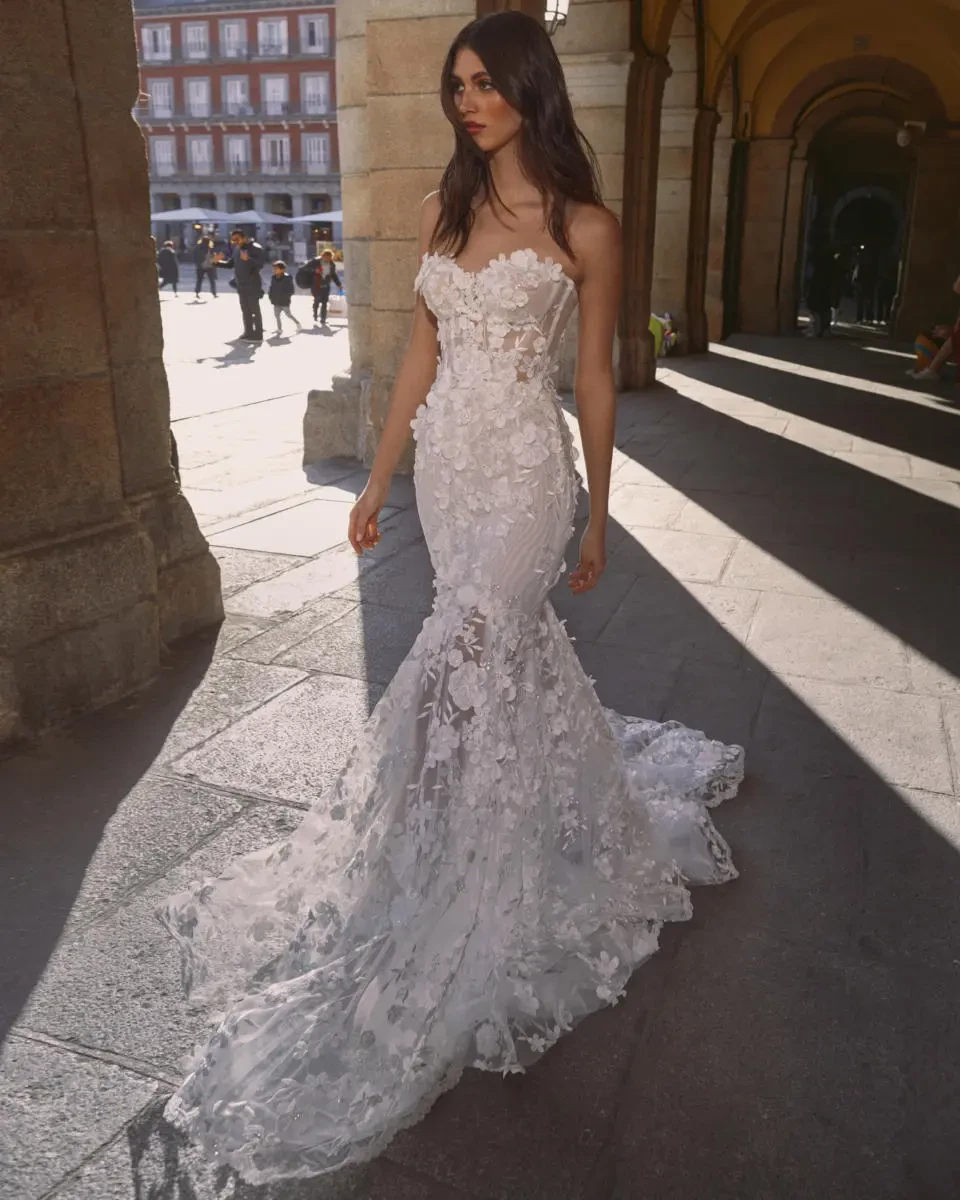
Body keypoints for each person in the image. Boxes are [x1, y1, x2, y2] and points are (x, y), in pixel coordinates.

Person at [160, 12, 742, 1183]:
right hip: (451, 473)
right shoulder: (442, 210)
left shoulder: (587, 225)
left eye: (485, 83)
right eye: (457, 83)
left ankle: (462, 873)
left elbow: (591, 377)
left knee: (472, 646)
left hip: (526, 475)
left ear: (529, 86)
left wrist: (601, 507)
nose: (467, 101)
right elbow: (420, 355)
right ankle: (480, 823)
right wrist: (381, 477)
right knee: (487, 655)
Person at [215, 228, 266, 342]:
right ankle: (248, 332)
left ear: (244, 238)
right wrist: (216, 262)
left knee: (254, 310)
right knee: (245, 310)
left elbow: (260, 264)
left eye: (237, 239)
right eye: (233, 240)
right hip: (241, 284)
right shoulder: (237, 250)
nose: (235, 242)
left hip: (252, 284)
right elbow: (230, 264)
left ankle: (258, 335)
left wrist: (248, 259)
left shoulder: (256, 248)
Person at [302, 248, 342, 323]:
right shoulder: (315, 261)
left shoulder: (332, 264)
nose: (327, 259)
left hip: (326, 286)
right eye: (326, 257)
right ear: (322, 256)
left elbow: (333, 275)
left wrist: (339, 284)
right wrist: (314, 270)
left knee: (324, 303)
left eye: (329, 258)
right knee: (317, 301)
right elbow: (305, 268)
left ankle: (323, 318)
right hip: (316, 285)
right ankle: (315, 314)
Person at [267, 259, 302, 336]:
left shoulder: (288, 278)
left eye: (276, 268)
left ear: (282, 269)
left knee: (288, 315)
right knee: (277, 316)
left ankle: (298, 324)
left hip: (284, 302)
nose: (275, 270)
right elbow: (271, 288)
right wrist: (270, 296)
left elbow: (291, 290)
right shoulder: (273, 277)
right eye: (274, 268)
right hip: (276, 301)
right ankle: (279, 329)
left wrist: (285, 296)